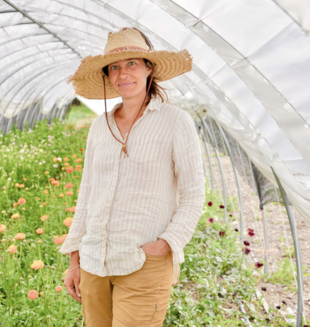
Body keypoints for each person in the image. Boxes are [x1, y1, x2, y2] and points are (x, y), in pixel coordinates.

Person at [59, 27, 205, 326]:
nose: (122, 73)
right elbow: (87, 194)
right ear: (107, 76)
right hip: (93, 262)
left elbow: (194, 195)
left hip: (142, 262)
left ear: (149, 69)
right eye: (114, 67)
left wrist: (164, 245)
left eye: (131, 64)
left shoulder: (176, 122)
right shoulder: (101, 127)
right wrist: (75, 260)